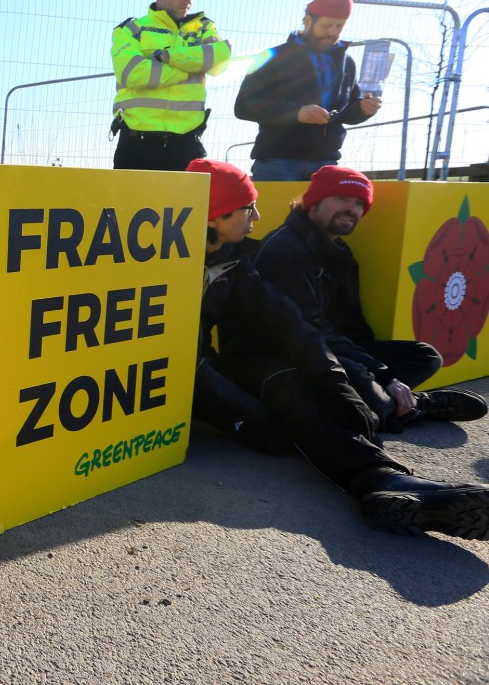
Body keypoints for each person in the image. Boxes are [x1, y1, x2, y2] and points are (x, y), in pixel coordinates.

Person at [187, 158, 489, 540]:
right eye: (249, 207)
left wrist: (336, 383)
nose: (257, 216)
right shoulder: (178, 257)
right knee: (276, 427)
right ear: (214, 215)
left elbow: (290, 321)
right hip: (178, 373)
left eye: (360, 203)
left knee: (299, 396)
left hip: (216, 365)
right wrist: (358, 378)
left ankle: (380, 478)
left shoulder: (235, 261)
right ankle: (385, 431)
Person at [254, 165, 487, 431]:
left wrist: (371, 363)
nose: (351, 209)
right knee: (355, 377)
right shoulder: (287, 249)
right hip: (291, 351)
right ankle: (413, 406)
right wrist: (383, 375)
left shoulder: (339, 250)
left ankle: (379, 402)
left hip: (330, 345)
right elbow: (307, 329)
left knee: (425, 356)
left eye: (358, 203)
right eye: (341, 198)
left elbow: (349, 323)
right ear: (313, 202)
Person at [234, 0, 383, 181]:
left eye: (339, 26)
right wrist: (298, 113)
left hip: (327, 163)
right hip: (277, 162)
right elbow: (243, 106)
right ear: (307, 21)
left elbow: (348, 113)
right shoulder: (270, 57)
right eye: (327, 25)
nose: (333, 32)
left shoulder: (347, 62)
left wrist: (364, 109)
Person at [110, 0, 231, 171]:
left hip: (187, 143)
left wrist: (168, 57)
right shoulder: (131, 29)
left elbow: (219, 62)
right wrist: (192, 67)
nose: (188, 0)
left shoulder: (204, 27)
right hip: (137, 143)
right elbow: (133, 73)